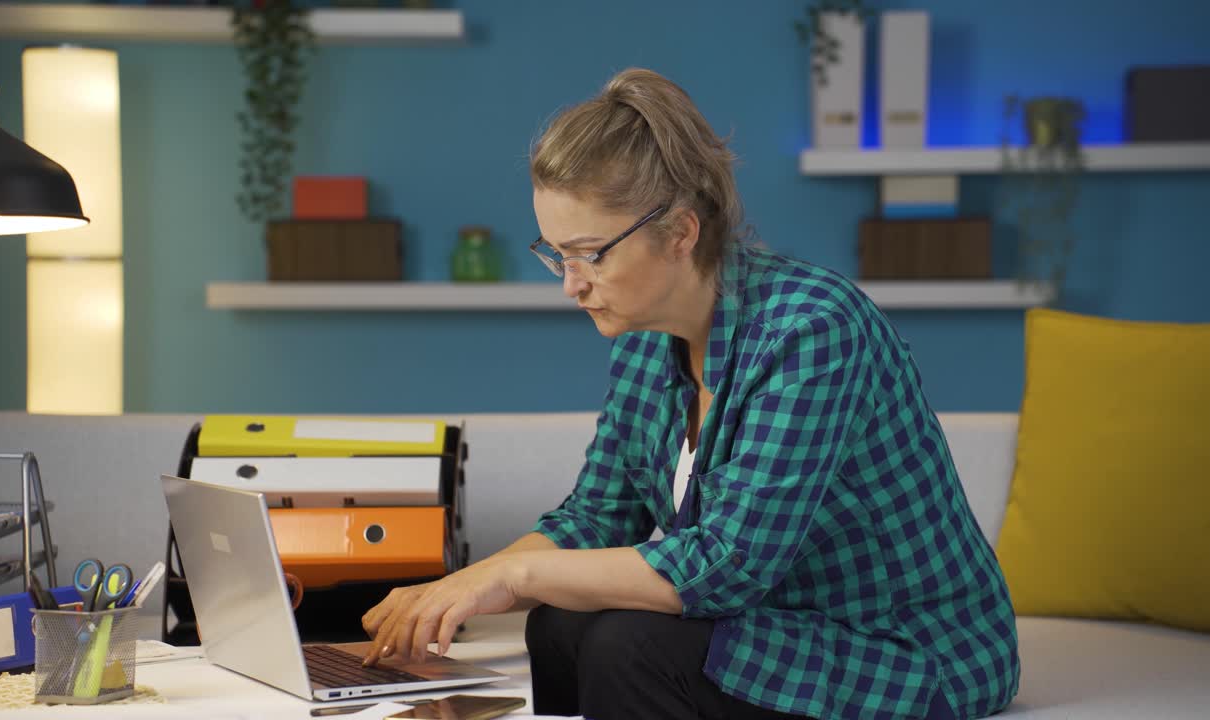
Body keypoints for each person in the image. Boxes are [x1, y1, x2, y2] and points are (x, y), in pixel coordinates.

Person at [361, 68, 1021, 720]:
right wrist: (451, 591)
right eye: (555, 254)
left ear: (679, 232)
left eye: (590, 254)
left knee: (629, 646)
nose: (570, 285)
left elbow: (725, 566)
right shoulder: (644, 340)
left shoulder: (813, 331)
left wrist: (507, 577)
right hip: (780, 627)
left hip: (902, 652)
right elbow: (595, 521)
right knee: (558, 625)